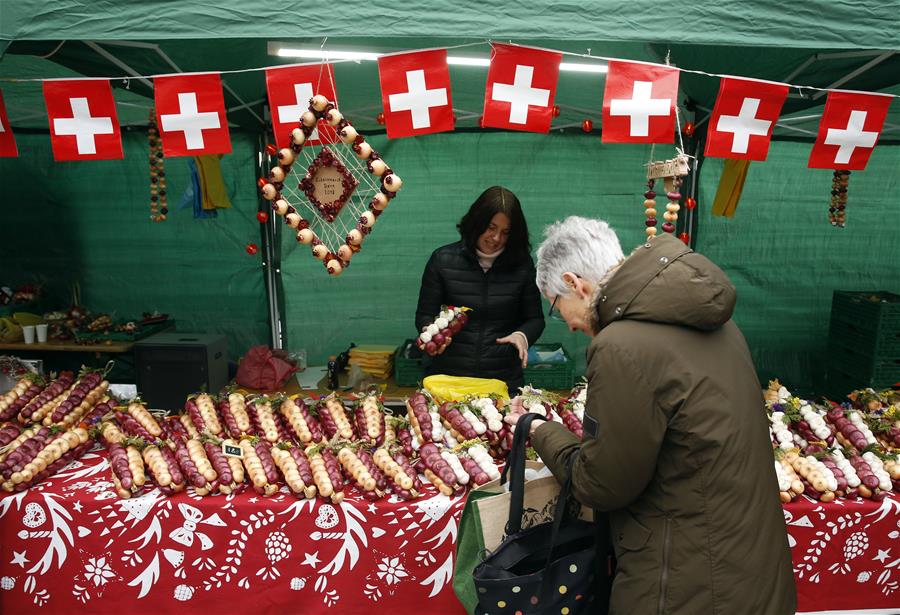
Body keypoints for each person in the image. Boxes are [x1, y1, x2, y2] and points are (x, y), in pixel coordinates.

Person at [508, 217, 797, 615]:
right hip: (751, 570)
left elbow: (603, 484)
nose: (571, 326)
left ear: (576, 283)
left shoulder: (621, 345)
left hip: (685, 582)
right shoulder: (718, 323)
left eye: (558, 309)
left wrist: (541, 430)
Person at [415, 186, 545, 392]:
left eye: (505, 232)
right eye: (491, 228)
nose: (496, 238)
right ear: (477, 223)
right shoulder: (443, 260)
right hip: (449, 378)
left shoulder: (522, 266)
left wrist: (522, 336)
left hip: (502, 380)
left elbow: (535, 319)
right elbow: (424, 315)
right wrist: (432, 332)